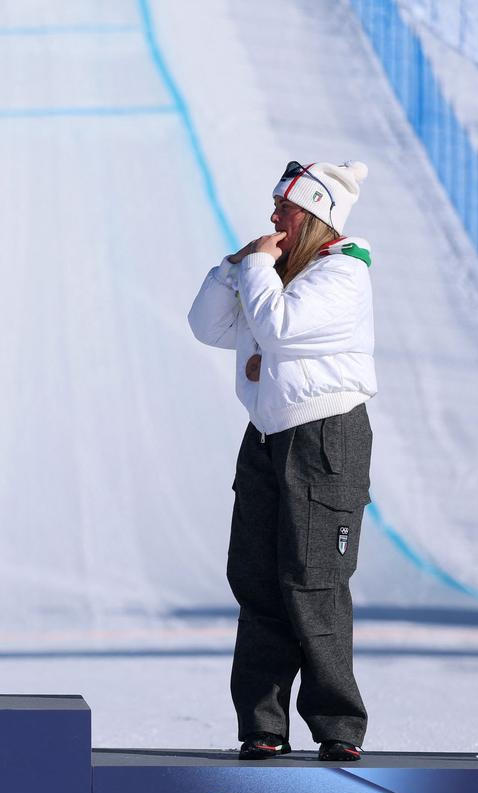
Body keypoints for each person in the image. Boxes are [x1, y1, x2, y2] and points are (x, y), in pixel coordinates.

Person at [187, 161, 376, 762]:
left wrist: (257, 268)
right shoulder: (280, 272)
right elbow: (207, 326)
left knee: (313, 582)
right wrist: (232, 266)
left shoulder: (344, 275)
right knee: (257, 581)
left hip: (325, 437)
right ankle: (263, 725)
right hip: (267, 437)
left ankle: (337, 724)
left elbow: (280, 326)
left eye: (284, 209)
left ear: (316, 217)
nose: (272, 219)